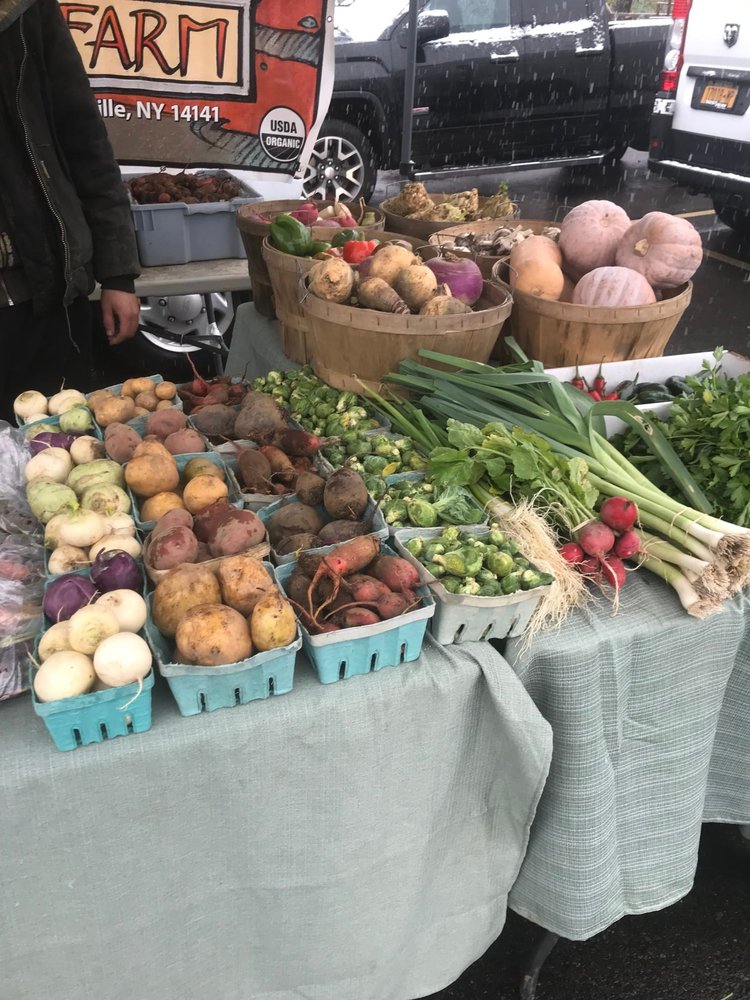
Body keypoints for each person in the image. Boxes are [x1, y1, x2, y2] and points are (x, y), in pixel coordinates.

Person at [0, 0, 140, 422]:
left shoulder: (26, 11)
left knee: (61, 444)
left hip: (42, 292)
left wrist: (118, 276)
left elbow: (84, 138)